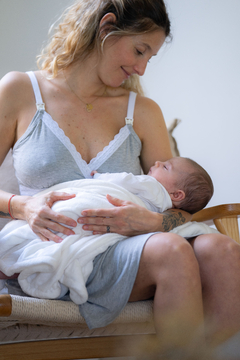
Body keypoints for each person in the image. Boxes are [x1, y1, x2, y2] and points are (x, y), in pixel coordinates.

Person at [0, 0, 240, 346]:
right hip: (55, 252)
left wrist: (151, 222)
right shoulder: (20, 91)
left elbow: (178, 202)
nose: (142, 69)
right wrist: (22, 206)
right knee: (171, 253)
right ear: (107, 27)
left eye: (149, 58)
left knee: (226, 251)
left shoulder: (142, 112)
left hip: (128, 248)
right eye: (140, 50)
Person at [0, 156, 215, 303]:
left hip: (114, 221)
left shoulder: (152, 187)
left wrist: (100, 177)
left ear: (177, 195)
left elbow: (125, 180)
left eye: (166, 166)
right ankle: (31, 264)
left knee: (72, 217)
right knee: (75, 229)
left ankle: (18, 258)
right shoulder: (164, 199)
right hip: (109, 223)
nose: (157, 161)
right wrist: (21, 205)